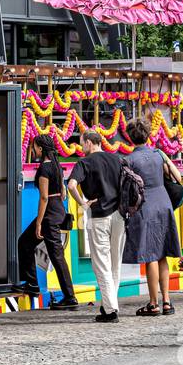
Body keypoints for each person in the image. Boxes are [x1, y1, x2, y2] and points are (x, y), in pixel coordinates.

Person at [122, 118, 183, 316]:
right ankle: (167, 301)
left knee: (150, 256)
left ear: (130, 137)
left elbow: (126, 188)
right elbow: (178, 177)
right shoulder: (159, 154)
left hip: (145, 206)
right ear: (148, 134)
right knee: (162, 253)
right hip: (163, 203)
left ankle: (153, 303)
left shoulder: (129, 160)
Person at [67, 131, 126, 322]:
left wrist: (83, 203)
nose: (80, 147)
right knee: (115, 262)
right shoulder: (117, 159)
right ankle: (109, 304)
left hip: (98, 215)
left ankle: (110, 310)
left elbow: (71, 185)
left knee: (101, 263)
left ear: (91, 143)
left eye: (82, 143)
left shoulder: (85, 163)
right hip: (119, 214)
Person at [14, 134, 77, 309]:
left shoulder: (44, 169)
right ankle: (33, 284)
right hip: (58, 210)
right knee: (27, 244)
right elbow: (63, 192)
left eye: (34, 147)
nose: (32, 150)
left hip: (49, 214)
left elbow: (43, 197)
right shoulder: (57, 166)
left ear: (41, 149)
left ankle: (69, 297)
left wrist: (40, 222)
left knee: (55, 256)